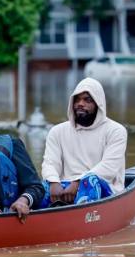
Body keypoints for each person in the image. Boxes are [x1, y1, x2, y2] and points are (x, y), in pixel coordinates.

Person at [40, 77, 127, 207]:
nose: (80, 103)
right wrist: (53, 182)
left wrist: (78, 182)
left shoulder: (116, 131)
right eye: (77, 99)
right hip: (65, 187)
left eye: (87, 100)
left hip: (105, 188)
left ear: (98, 104)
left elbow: (108, 168)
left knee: (90, 181)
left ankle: (80, 219)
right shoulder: (57, 131)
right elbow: (50, 163)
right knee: (39, 186)